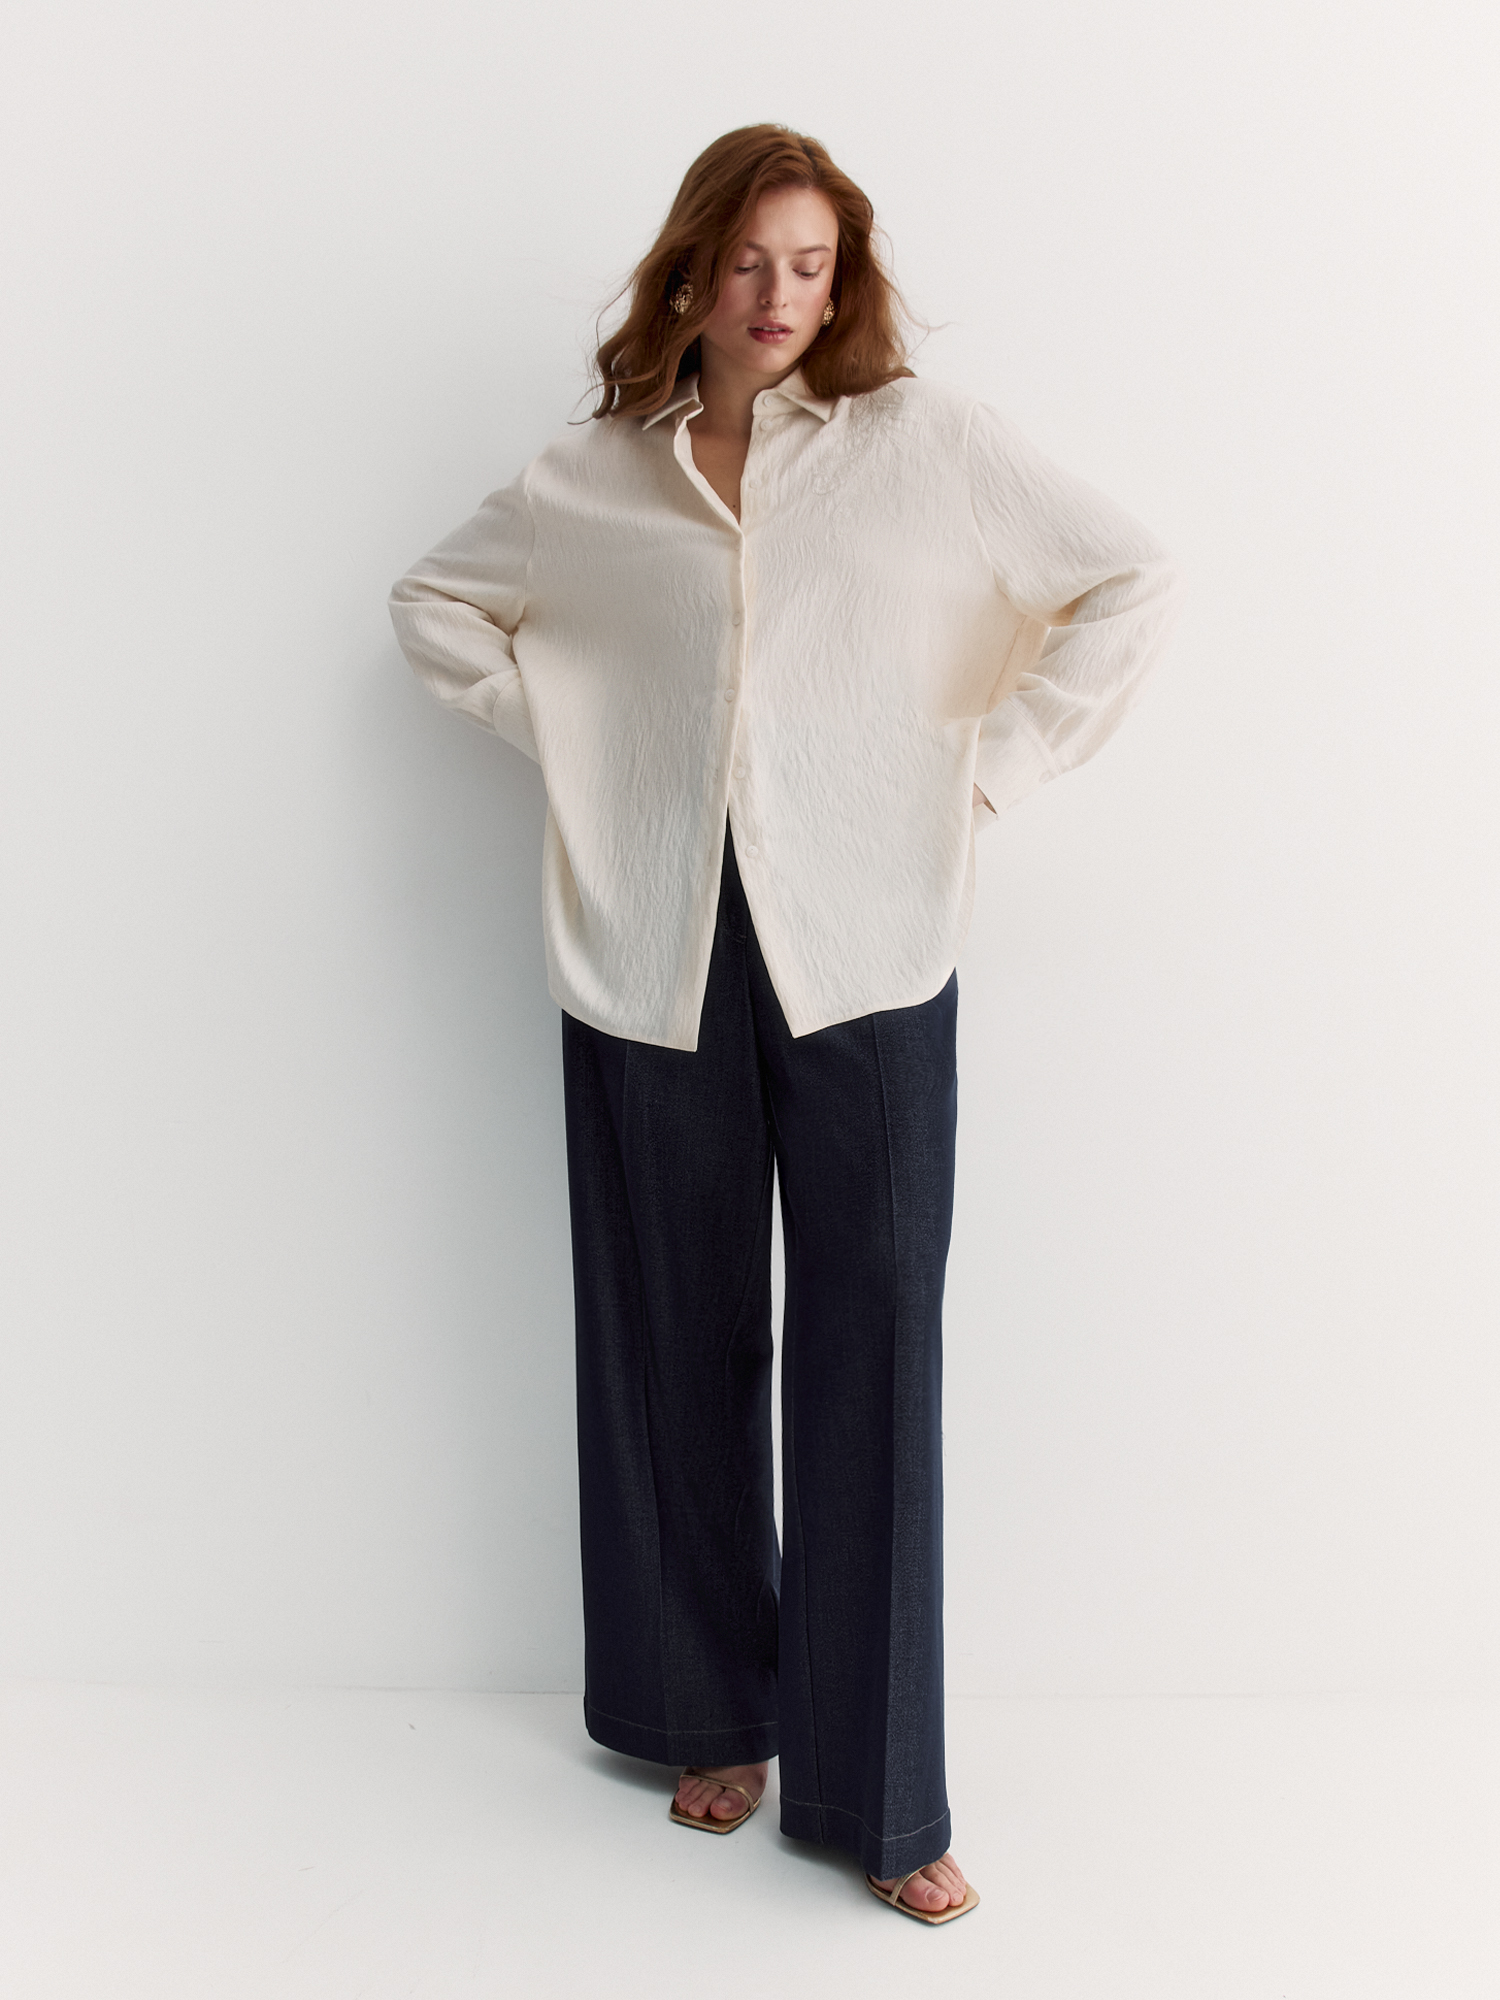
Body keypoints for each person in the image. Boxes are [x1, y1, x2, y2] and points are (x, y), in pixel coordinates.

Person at [389, 124, 1182, 1924]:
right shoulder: (590, 477)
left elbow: (1129, 578)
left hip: (870, 951)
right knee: (671, 1336)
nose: (778, 296)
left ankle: (879, 1795)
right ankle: (706, 1716)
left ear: (845, 280)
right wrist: (580, 744)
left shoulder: (927, 446)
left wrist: (989, 768)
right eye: (749, 260)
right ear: (691, 270)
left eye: (811, 265)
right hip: (649, 950)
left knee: (874, 1343)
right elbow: (432, 604)